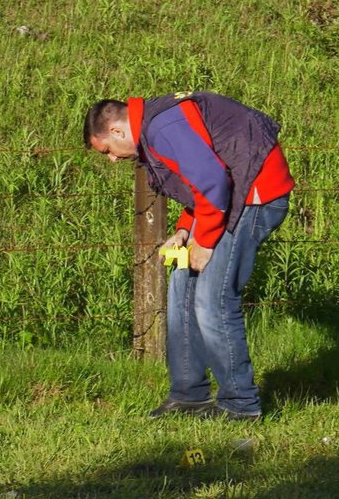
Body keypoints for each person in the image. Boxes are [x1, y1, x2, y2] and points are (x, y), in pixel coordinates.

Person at [83, 91, 294, 420]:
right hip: (231, 195)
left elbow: (213, 182)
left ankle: (240, 404)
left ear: (116, 131)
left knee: (213, 299)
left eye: (107, 151)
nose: (111, 159)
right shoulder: (155, 127)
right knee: (182, 284)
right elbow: (200, 182)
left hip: (256, 196)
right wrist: (185, 230)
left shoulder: (163, 127)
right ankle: (189, 395)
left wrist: (205, 242)